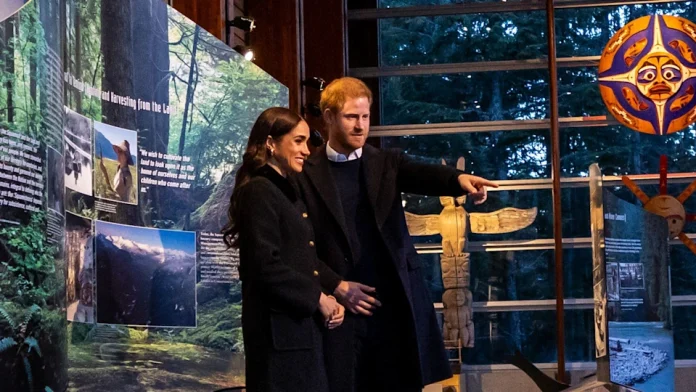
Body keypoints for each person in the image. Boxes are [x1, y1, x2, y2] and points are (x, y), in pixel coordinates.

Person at [293, 77, 498, 392]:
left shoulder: (384, 162)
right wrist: (335, 285)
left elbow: (422, 173)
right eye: (351, 117)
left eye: (365, 117)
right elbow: (298, 246)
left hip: (391, 304)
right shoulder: (305, 172)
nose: (361, 126)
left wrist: (458, 179)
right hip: (340, 307)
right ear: (330, 117)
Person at [222, 107, 345, 392]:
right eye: (298, 141)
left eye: (307, 141)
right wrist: (317, 298)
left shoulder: (285, 191)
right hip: (279, 340)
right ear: (271, 143)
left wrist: (332, 291)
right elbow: (265, 266)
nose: (306, 150)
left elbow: (301, 259)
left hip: (298, 334)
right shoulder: (260, 191)